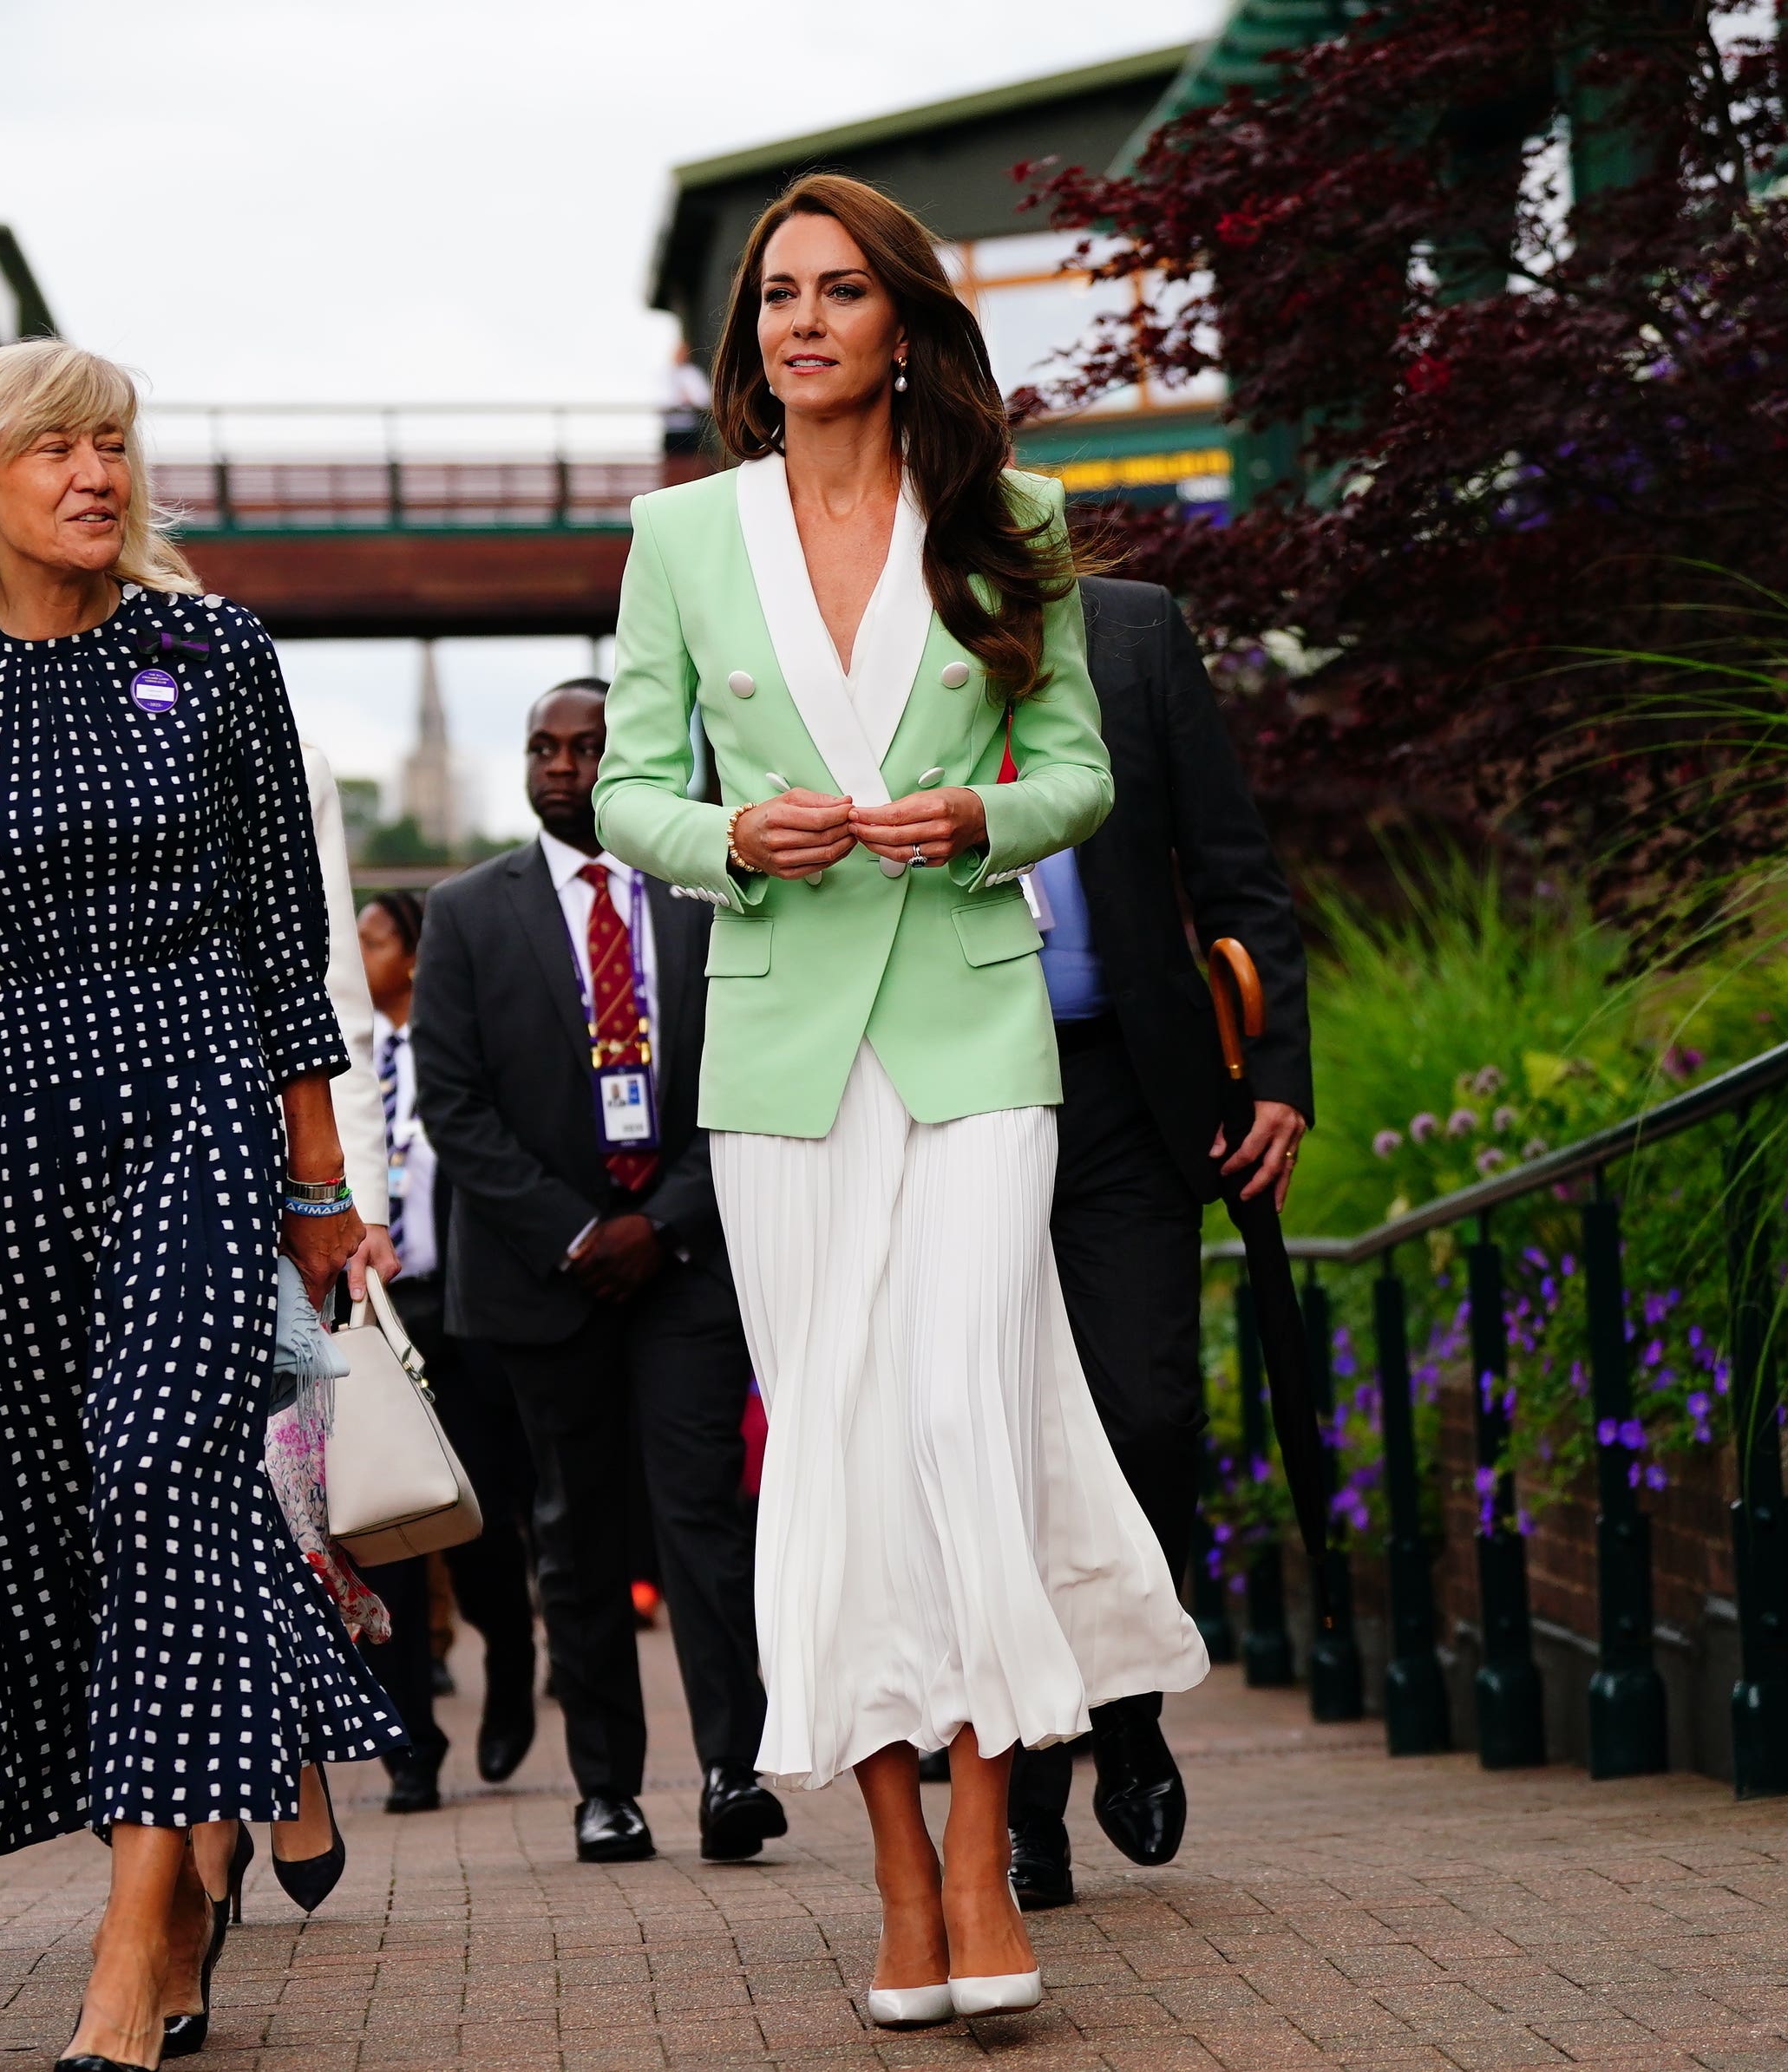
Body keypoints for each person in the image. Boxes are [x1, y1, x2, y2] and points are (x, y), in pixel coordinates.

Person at [592, 171, 1211, 2028]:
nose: (797, 321)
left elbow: (1081, 772)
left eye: (835, 292)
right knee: (844, 1448)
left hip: (968, 1023)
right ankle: (887, 1868)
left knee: (959, 1407)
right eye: (772, 295)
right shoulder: (680, 537)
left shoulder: (1007, 512)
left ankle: (976, 1844)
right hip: (780, 1055)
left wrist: (980, 818)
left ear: (899, 325)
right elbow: (629, 790)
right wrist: (726, 836)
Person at [0, 336, 402, 2072]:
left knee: (160, 1472)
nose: (95, 473)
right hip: (7, 1149)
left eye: (115, 444)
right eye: (54, 448)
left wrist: (318, 1185)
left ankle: (131, 1956)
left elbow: (287, 942)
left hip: (200, 1113)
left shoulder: (209, 655)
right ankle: (197, 1856)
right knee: (84, 1526)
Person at [414, 678, 777, 1866]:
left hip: (684, 1262)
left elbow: (751, 1079)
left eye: (589, 747)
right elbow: (452, 1107)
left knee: (702, 1521)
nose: (562, 765)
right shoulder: (468, 912)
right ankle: (606, 1788)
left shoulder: (712, 899)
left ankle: (734, 1770)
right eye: (543, 746)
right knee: (572, 1530)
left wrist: (659, 1224)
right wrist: (574, 1233)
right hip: (542, 1275)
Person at [1003, 574, 1315, 1908]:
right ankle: (1025, 1795)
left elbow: (1235, 862)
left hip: (1130, 1089)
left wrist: (1280, 1069)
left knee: (1153, 1418)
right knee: (992, 1445)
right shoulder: (856, 631)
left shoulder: (1128, 630)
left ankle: (1127, 1693)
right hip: (957, 1093)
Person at [353, 888, 540, 1814]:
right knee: (386, 1527)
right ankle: (409, 1744)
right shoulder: (349, 1058)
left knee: (478, 1526)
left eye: (376, 937)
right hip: (379, 1316)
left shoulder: (456, 1052)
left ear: (417, 956)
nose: (358, 951)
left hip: (462, 1310)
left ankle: (512, 1662)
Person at [662, 337, 712, 464]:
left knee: (691, 465)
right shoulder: (665, 373)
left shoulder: (693, 374)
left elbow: (705, 399)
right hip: (672, 429)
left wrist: (690, 400)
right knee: (672, 466)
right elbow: (659, 400)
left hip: (690, 429)